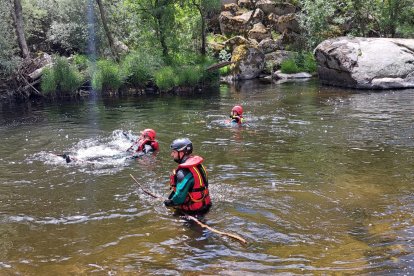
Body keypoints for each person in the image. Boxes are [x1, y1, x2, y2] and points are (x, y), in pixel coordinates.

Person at [164, 138, 212, 215]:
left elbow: (179, 198)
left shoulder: (183, 172)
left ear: (182, 153)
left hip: (192, 212)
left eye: (174, 152)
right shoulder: (199, 166)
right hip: (206, 205)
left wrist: (169, 203)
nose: (172, 155)